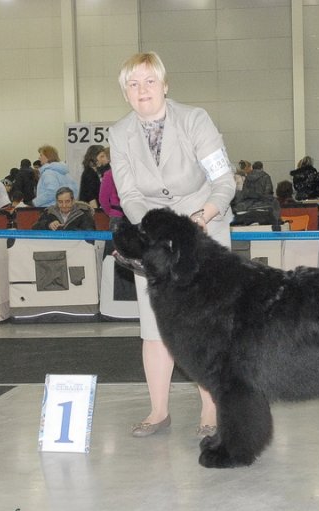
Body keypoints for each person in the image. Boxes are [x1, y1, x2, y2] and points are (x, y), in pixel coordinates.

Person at [108, 51, 236, 438]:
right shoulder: (118, 134)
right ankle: (158, 411)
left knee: (206, 327)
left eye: (149, 81)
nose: (142, 89)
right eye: (133, 83)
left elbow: (224, 182)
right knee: (154, 327)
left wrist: (202, 217)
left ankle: (211, 411)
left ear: (165, 85)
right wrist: (151, 230)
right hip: (156, 239)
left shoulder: (195, 120)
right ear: (125, 93)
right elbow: (128, 194)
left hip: (203, 228)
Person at [97, 147, 125, 232]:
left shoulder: (109, 174)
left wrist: (111, 212)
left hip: (117, 215)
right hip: (134, 215)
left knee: (114, 244)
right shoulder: (133, 173)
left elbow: (103, 199)